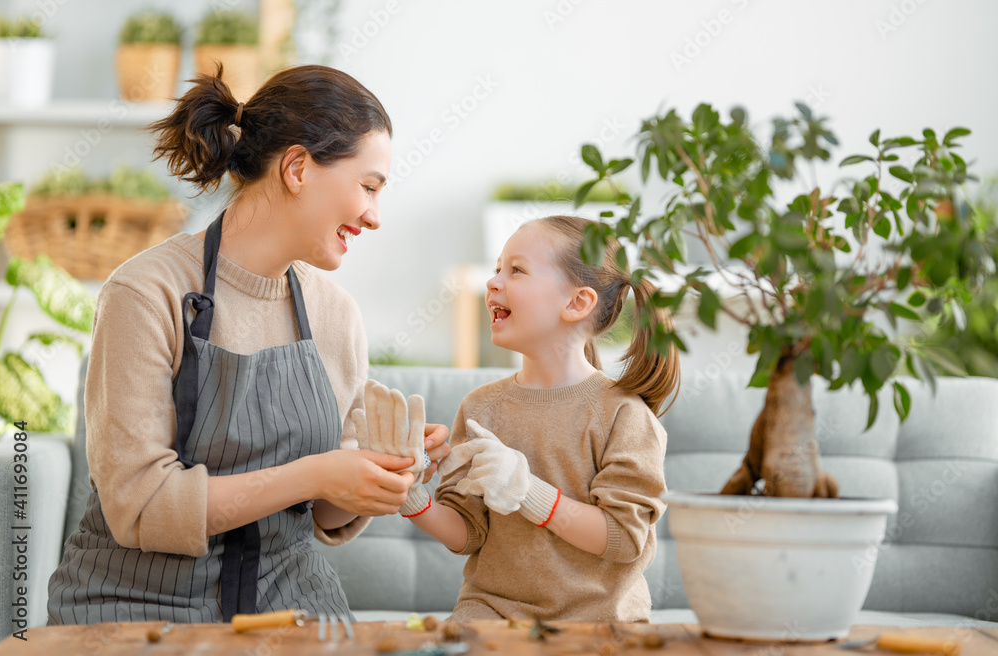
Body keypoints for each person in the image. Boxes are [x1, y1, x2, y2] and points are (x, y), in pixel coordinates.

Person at [47, 65, 449, 625]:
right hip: (134, 606)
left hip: (291, 606)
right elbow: (137, 505)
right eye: (368, 186)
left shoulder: (335, 315)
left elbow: (323, 512)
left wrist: (379, 471)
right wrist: (317, 473)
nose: (374, 216)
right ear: (297, 167)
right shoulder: (145, 292)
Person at [398, 215, 680, 622]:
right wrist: (409, 495)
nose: (493, 282)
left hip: (597, 624)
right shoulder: (480, 408)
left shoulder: (623, 415)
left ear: (577, 302)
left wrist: (528, 491)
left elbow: (624, 538)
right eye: (497, 269)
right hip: (491, 614)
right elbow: (467, 533)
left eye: (516, 270)